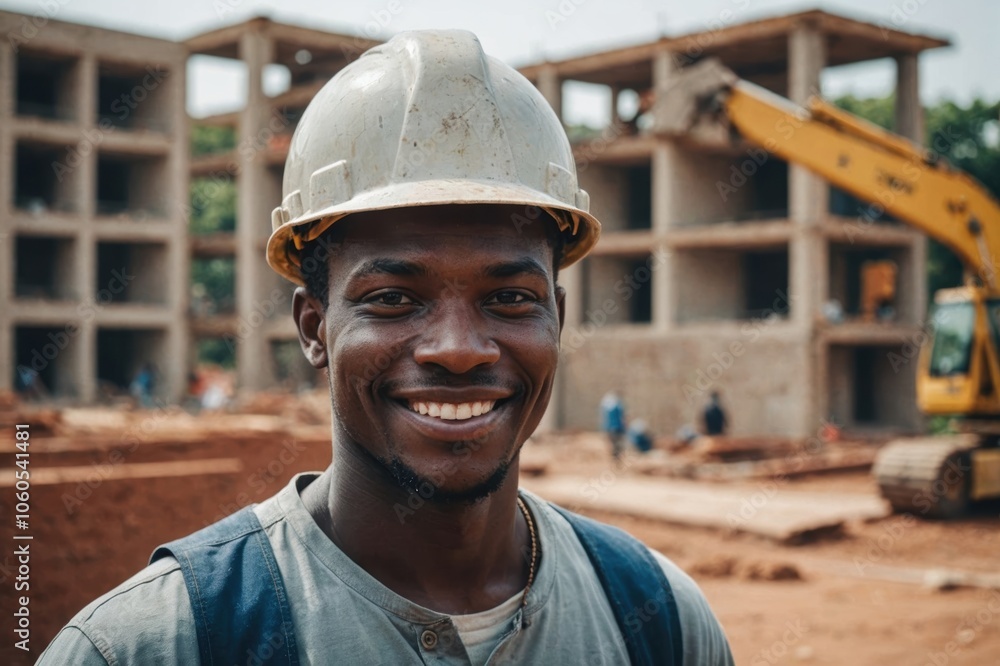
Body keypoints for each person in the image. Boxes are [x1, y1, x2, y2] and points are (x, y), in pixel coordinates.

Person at [40, 30, 732, 665]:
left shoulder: (658, 622)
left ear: (558, 316)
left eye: (509, 298)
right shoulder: (153, 645)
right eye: (394, 299)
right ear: (314, 329)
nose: (459, 349)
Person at [600, 389, 627, 461]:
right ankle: (617, 459)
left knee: (614, 444)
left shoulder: (607, 407)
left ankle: (615, 458)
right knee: (617, 444)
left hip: (611, 428)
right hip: (617, 428)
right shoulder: (617, 406)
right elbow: (621, 418)